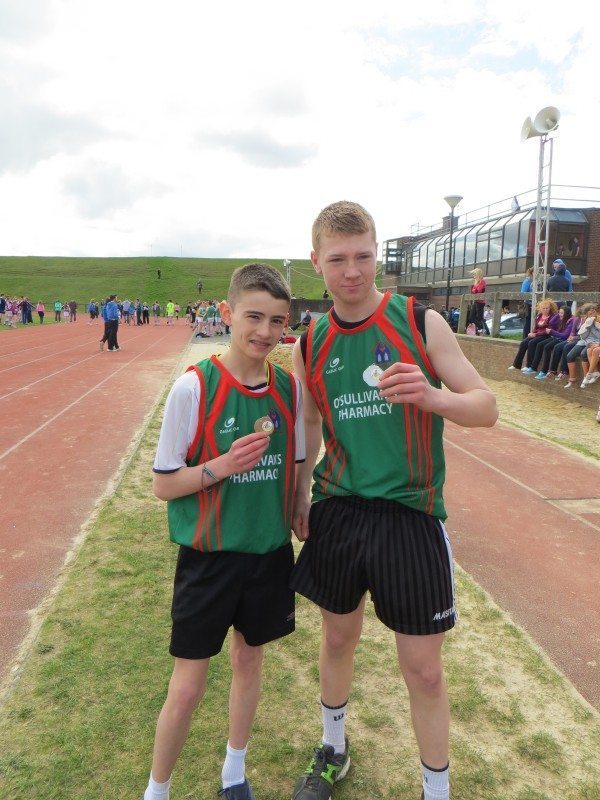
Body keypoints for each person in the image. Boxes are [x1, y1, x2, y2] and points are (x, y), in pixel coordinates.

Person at [289, 201, 498, 800]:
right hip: (339, 508)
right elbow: (308, 421)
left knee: (424, 669)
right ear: (317, 262)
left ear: (376, 253)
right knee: (335, 639)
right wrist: (302, 490)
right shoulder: (312, 339)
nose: (352, 271)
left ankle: (437, 790)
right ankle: (333, 748)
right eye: (338, 259)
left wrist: (434, 399)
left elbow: (486, 407)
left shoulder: (419, 320)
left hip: (410, 512)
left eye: (363, 256)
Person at [141, 263, 305, 800]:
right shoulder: (194, 388)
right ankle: (157, 790)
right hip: (209, 558)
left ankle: (234, 772)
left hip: (268, 555)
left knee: (248, 660)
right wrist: (222, 466)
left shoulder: (287, 388)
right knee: (187, 687)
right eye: (254, 316)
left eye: (277, 321)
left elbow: (299, 459)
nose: (265, 331)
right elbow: (166, 484)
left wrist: (300, 499)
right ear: (227, 313)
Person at [508, 299, 559, 373]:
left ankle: (529, 365)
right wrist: (532, 333)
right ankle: (516, 364)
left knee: (532, 343)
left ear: (550, 308)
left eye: (547, 308)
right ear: (540, 308)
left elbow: (548, 330)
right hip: (537, 334)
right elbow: (536, 327)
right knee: (524, 342)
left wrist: (535, 334)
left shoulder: (552, 317)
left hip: (546, 335)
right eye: (543, 308)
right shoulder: (539, 315)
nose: (545, 310)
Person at [468, 268, 486, 334]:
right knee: (471, 317)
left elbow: (478, 290)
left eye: (474, 274)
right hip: (476, 301)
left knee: (479, 317)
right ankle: (481, 327)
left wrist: (474, 289)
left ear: (477, 274)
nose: (473, 276)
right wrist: (474, 289)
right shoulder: (476, 282)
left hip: (481, 302)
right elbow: (473, 291)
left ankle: (482, 329)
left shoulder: (482, 281)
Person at [520, 267, 534, 338]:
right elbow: (523, 293)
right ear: (532, 272)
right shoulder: (527, 280)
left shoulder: (538, 280)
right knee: (528, 321)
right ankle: (525, 338)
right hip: (528, 304)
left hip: (536, 304)